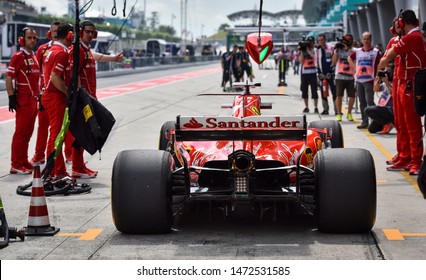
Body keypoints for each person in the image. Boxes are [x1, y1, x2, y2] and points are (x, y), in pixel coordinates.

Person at [67, 20, 123, 178]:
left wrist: (113, 59)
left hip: (90, 97)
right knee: (84, 133)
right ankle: (77, 168)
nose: (90, 35)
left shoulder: (85, 50)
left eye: (93, 32)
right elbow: (74, 73)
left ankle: (79, 166)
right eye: (87, 32)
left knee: (90, 131)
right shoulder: (77, 49)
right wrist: (80, 96)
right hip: (84, 99)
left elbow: (94, 57)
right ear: (80, 32)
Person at [378, 9, 426, 175]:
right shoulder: (408, 37)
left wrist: (380, 68)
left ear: (401, 23)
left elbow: (386, 58)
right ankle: (405, 157)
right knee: (401, 123)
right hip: (403, 83)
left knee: (412, 125)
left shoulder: (412, 37)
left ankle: (415, 161)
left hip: (411, 84)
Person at [41, 23, 74, 178]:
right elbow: (55, 77)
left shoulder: (52, 50)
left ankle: (54, 169)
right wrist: (68, 93)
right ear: (68, 35)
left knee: (55, 134)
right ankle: (57, 171)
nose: (74, 36)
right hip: (55, 96)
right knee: (57, 135)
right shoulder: (62, 53)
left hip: (50, 95)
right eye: (72, 33)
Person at [5, 27, 40, 174]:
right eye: (29, 38)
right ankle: (16, 164)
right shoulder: (18, 56)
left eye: (34, 38)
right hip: (23, 101)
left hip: (33, 100)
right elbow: (9, 78)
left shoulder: (33, 56)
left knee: (28, 133)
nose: (32, 40)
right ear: (22, 39)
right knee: (21, 133)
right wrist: (11, 96)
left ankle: (24, 160)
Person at [30, 21, 60, 166]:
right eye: (53, 31)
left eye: (58, 31)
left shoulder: (66, 49)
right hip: (44, 94)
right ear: (49, 33)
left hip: (58, 94)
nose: (55, 33)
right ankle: (38, 155)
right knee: (42, 127)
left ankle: (68, 155)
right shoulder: (42, 49)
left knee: (62, 129)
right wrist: (38, 94)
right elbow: (37, 72)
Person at [348, 32, 382, 129]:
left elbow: (380, 64)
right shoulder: (358, 51)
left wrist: (377, 77)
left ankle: (376, 121)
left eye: (368, 39)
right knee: (362, 101)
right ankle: (364, 121)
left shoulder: (375, 52)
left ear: (370, 39)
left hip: (370, 80)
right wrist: (356, 68)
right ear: (362, 40)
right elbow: (349, 58)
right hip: (359, 80)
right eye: (364, 39)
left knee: (370, 101)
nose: (366, 41)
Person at [332, 33, 355, 122]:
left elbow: (353, 56)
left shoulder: (353, 50)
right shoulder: (338, 49)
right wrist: (336, 51)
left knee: (352, 96)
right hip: (340, 76)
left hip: (350, 76)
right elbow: (334, 62)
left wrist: (347, 49)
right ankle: (339, 113)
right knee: (339, 95)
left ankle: (349, 113)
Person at [365, 65, 394, 134]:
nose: (387, 73)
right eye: (386, 71)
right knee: (371, 130)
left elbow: (393, 94)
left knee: (368, 110)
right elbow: (376, 89)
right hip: (382, 109)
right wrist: (379, 79)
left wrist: (387, 83)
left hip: (390, 110)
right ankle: (385, 123)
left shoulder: (395, 83)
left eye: (389, 72)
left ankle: (389, 123)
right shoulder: (386, 83)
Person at [316, 34, 336, 115]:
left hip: (331, 74)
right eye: (319, 40)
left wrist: (331, 72)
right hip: (322, 74)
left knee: (334, 92)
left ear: (325, 40)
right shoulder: (317, 50)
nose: (321, 42)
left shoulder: (330, 48)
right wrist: (319, 73)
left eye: (322, 40)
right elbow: (316, 62)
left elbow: (334, 60)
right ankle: (325, 109)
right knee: (323, 92)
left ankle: (337, 110)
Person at [299, 36, 319, 113]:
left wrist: (308, 50)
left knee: (314, 90)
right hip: (305, 73)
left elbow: (314, 57)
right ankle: (306, 106)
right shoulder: (303, 51)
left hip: (313, 72)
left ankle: (316, 107)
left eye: (311, 42)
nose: (310, 44)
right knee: (304, 90)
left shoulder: (315, 50)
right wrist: (302, 51)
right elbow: (301, 62)